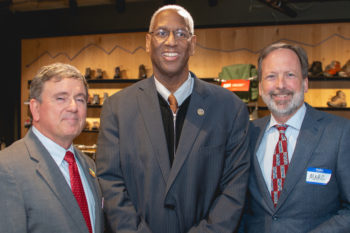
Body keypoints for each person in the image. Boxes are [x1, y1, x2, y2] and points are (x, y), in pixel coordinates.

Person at [96, 4, 250, 233]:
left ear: (193, 44)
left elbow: (234, 189)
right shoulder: (117, 109)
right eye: (161, 33)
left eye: (181, 33)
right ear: (148, 42)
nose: (171, 41)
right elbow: (110, 183)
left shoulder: (230, 108)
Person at [242, 42, 350, 232]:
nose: (280, 85)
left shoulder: (340, 133)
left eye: (290, 75)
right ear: (260, 87)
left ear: (305, 83)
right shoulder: (248, 133)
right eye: (271, 76)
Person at [0, 63, 104, 233]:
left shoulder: (88, 165)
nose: (73, 107)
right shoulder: (7, 168)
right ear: (35, 108)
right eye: (61, 98)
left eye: (80, 99)